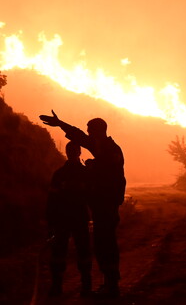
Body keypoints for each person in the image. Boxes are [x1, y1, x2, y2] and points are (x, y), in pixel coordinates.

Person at [40, 111, 126, 298]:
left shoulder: (109, 150)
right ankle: (108, 285)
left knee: (106, 245)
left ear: (98, 131)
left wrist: (93, 168)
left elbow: (110, 178)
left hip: (106, 206)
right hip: (102, 207)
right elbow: (80, 136)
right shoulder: (102, 147)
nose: (87, 134)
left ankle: (111, 287)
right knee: (103, 245)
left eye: (90, 130)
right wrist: (61, 123)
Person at [46, 141, 92, 296]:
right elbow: (52, 200)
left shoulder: (60, 174)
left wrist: (50, 221)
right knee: (77, 251)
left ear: (77, 152)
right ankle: (84, 286)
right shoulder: (84, 173)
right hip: (71, 218)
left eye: (73, 151)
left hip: (66, 218)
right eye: (71, 151)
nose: (72, 153)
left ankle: (60, 286)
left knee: (67, 252)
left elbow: (51, 200)